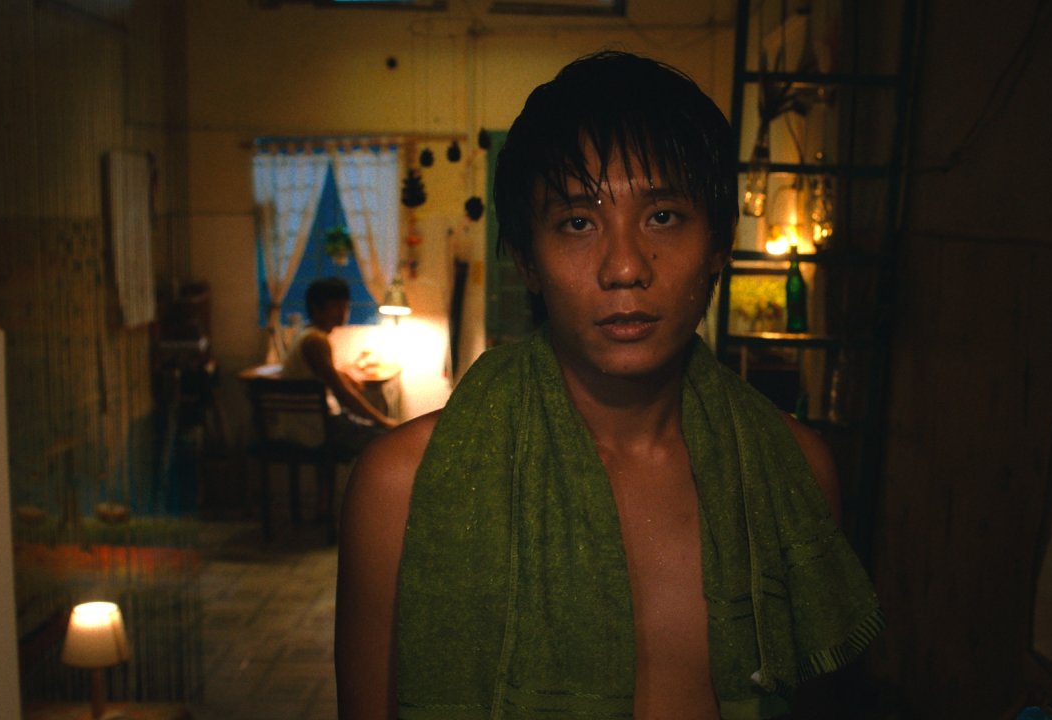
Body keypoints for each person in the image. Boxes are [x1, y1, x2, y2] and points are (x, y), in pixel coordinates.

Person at [335, 51, 882, 720]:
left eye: (663, 217)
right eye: (578, 222)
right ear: (526, 260)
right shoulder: (400, 488)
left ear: (719, 244)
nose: (624, 267)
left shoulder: (792, 472)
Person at [279, 277, 398, 456]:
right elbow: (343, 393)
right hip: (313, 430)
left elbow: (326, 374)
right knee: (390, 440)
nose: (342, 312)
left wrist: (343, 373)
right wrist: (383, 421)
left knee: (382, 434)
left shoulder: (305, 333)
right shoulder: (316, 341)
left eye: (345, 306)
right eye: (335, 306)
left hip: (303, 424)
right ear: (316, 308)